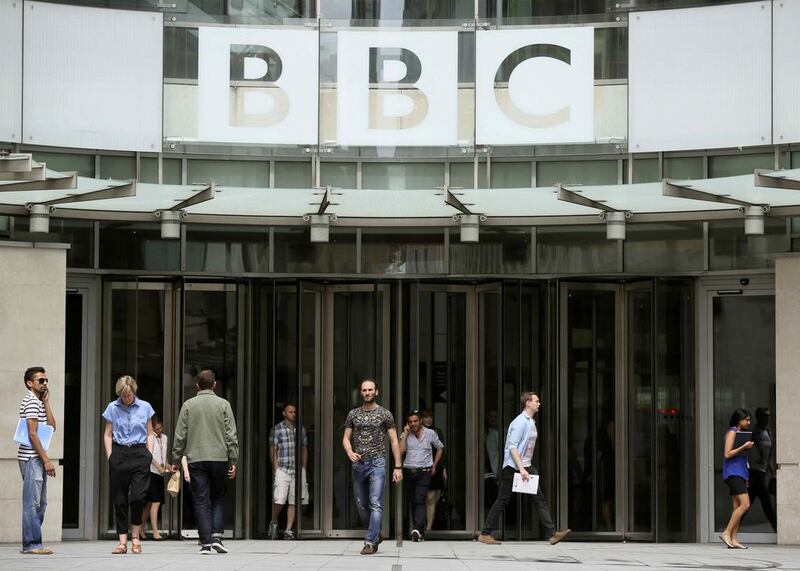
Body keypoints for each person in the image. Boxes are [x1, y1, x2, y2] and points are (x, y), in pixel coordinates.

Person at [478, 392, 570, 546]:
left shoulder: (530, 421)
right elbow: (512, 447)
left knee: (538, 498)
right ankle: (485, 534)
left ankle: (552, 533)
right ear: (528, 403)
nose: (539, 403)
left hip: (526, 466)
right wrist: (521, 469)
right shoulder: (520, 422)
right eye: (536, 401)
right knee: (503, 499)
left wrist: (525, 467)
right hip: (514, 467)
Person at [172, 369, 239, 555]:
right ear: (215, 384)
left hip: (196, 458)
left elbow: (180, 435)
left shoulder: (188, 405)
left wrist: (176, 459)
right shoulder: (224, 404)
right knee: (218, 497)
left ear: (197, 385)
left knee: (201, 500)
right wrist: (233, 459)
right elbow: (231, 435)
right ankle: (217, 537)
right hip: (219, 458)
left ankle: (206, 543)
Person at [342, 378, 403, 555]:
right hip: (359, 464)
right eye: (364, 390)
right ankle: (376, 533)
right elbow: (346, 438)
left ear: (376, 392)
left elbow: (393, 441)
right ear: (361, 393)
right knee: (361, 505)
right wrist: (349, 452)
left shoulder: (385, 414)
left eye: (370, 390)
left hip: (377, 462)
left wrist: (398, 467)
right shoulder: (353, 414)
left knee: (375, 503)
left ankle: (370, 542)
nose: (367, 393)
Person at [102, 375, 155, 555]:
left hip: (140, 453)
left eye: (129, 395)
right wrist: (110, 456)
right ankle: (123, 542)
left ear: (134, 391)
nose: (127, 398)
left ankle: (136, 537)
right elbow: (108, 434)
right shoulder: (112, 407)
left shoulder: (145, 407)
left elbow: (149, 433)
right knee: (120, 499)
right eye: (123, 395)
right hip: (119, 453)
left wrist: (148, 453)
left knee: (138, 497)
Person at [18, 366, 57, 555]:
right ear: (30, 383)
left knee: (40, 503)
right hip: (32, 458)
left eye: (46, 380)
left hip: (37, 458)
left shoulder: (38, 402)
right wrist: (47, 460)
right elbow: (32, 435)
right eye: (41, 380)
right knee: (33, 503)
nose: (45, 383)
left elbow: (51, 426)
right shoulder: (31, 402)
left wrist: (47, 402)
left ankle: (33, 541)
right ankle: (32, 544)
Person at [399, 410, 444, 541]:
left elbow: (440, 447)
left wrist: (434, 465)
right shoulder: (406, 434)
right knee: (413, 501)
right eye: (410, 422)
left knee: (420, 498)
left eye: (415, 421)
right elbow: (401, 451)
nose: (413, 424)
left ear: (420, 421)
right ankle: (419, 530)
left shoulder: (430, 433)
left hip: (425, 472)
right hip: (409, 471)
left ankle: (418, 529)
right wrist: (405, 434)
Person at [269, 403, 308, 540]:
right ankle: (274, 521)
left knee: (293, 501)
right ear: (284, 413)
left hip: (296, 470)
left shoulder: (300, 429)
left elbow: (304, 449)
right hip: (283, 468)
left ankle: (288, 529)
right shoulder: (277, 429)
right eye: (290, 412)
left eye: (295, 412)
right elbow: (273, 450)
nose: (293, 414)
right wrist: (275, 469)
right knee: (279, 499)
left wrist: (303, 468)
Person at [720, 408, 755, 549]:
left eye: (749, 419)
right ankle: (726, 533)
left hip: (741, 473)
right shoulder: (732, 432)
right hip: (733, 473)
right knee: (745, 504)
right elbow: (727, 454)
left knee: (737, 506)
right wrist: (744, 447)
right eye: (746, 419)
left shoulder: (742, 434)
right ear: (738, 420)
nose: (749, 422)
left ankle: (734, 539)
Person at [142, 416, 172, 540]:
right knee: (156, 501)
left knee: (150, 504)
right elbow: (148, 455)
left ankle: (140, 528)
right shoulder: (149, 438)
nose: (159, 431)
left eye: (160, 428)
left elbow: (163, 455)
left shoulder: (164, 438)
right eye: (156, 429)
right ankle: (155, 532)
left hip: (160, 473)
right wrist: (157, 466)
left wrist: (167, 465)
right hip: (151, 471)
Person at [748, 407, 777, 532]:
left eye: (769, 416)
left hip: (763, 473)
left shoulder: (769, 433)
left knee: (748, 503)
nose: (767, 418)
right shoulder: (754, 432)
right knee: (765, 503)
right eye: (765, 416)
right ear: (758, 417)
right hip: (755, 473)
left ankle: (732, 528)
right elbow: (747, 450)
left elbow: (769, 455)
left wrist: (772, 472)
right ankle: (776, 528)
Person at [420, 408, 446, 531]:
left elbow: (442, 451)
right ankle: (425, 526)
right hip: (422, 467)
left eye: (430, 417)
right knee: (426, 497)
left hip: (436, 468)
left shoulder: (437, 432)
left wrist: (444, 469)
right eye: (426, 417)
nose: (428, 419)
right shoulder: (418, 432)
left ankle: (429, 525)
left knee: (433, 498)